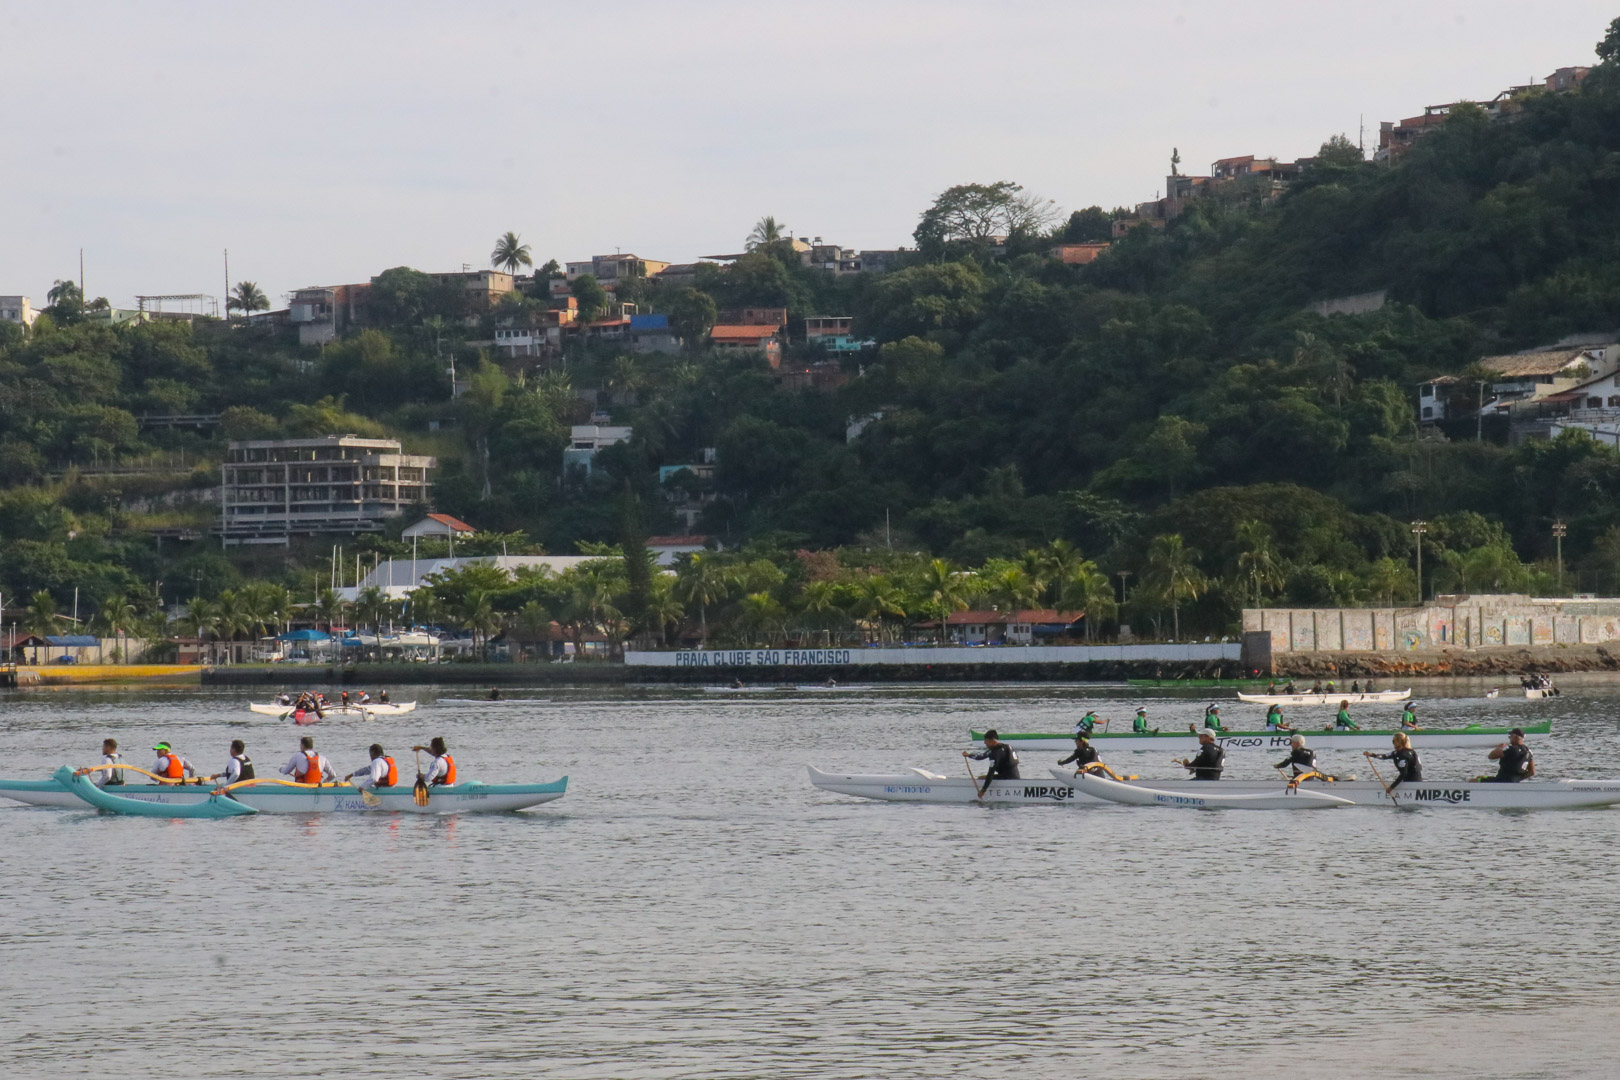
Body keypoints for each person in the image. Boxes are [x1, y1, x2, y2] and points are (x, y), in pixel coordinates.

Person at [963, 729, 1018, 795]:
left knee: (981, 778)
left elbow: (991, 773)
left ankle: (977, 794)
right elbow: (982, 756)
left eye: (986, 740)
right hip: (1016, 777)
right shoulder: (1007, 746)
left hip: (1008, 779)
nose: (984, 743)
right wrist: (969, 755)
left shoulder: (995, 753)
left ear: (992, 741)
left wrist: (983, 790)